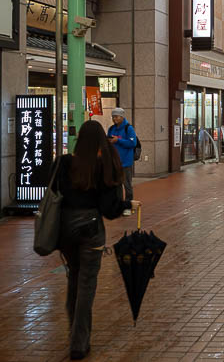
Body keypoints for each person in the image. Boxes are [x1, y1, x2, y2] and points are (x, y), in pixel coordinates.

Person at [57, 120, 140, 360]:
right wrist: (127, 205)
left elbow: (54, 195)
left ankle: (74, 333)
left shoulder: (63, 163)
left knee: (74, 278)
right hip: (91, 230)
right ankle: (79, 342)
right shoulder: (102, 166)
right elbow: (109, 209)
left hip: (65, 231)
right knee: (86, 285)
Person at [107, 108, 137, 216]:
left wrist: (118, 140)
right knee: (117, 185)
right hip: (114, 162)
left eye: (116, 116)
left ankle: (129, 206)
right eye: (113, 117)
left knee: (127, 185)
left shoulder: (128, 128)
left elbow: (132, 143)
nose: (114, 119)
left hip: (126, 162)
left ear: (122, 117)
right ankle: (119, 206)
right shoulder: (111, 129)